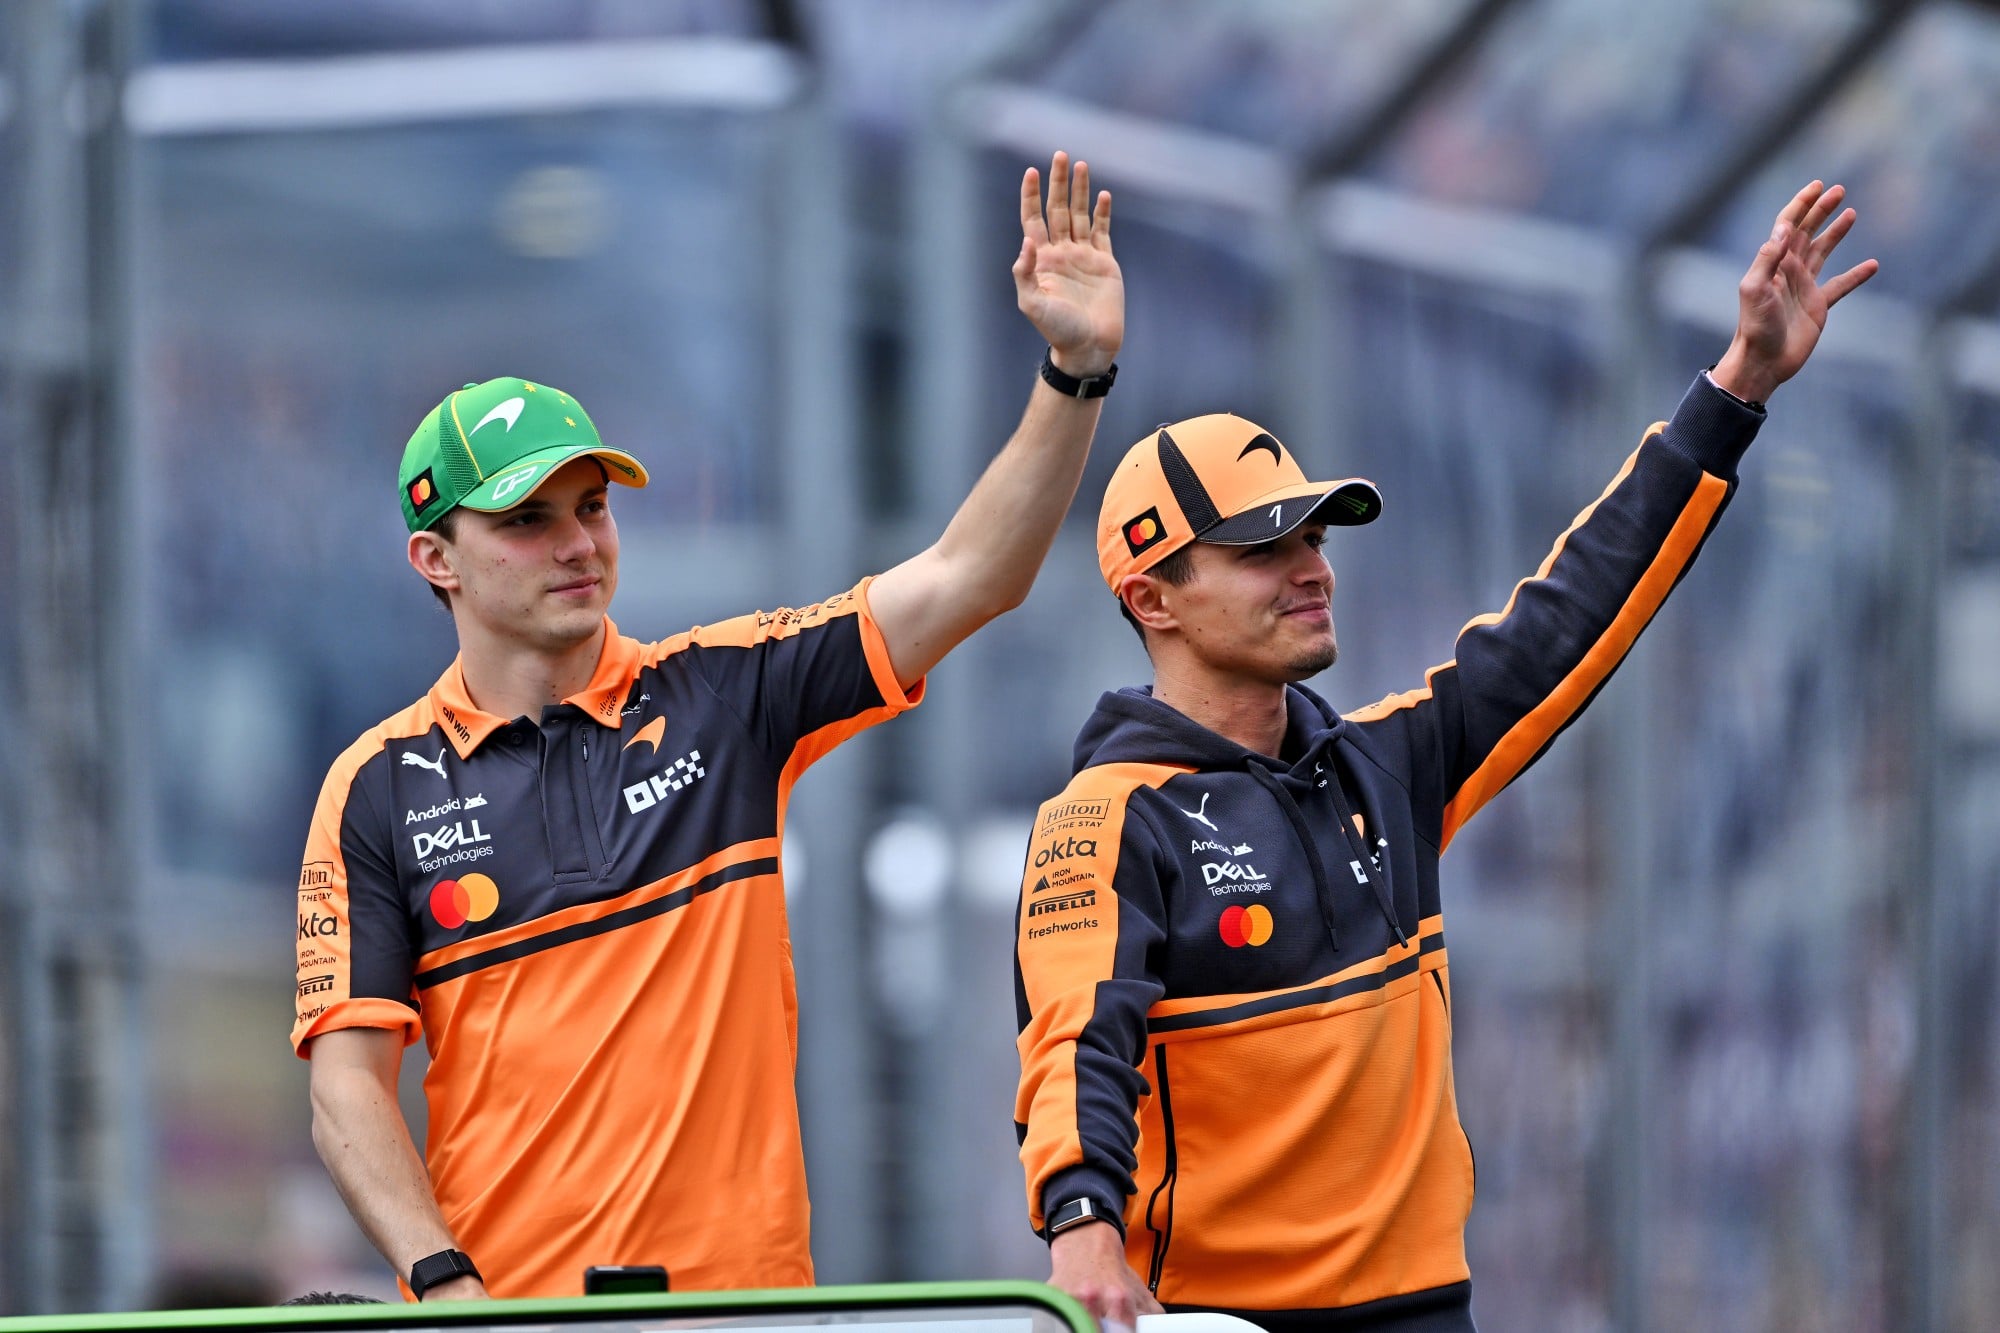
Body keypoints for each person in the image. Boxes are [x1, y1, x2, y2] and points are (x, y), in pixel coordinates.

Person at [1012, 181, 1875, 1331]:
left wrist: (1736, 390)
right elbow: (1077, 1038)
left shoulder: (1386, 768)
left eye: (1314, 534)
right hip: (1225, 1324)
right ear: (1150, 596)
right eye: (1262, 545)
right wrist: (1080, 1226)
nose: (1311, 566)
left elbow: (1567, 616)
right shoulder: (1107, 818)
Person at [293, 151, 1122, 1301]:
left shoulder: (726, 691)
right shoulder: (375, 788)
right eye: (528, 520)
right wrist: (446, 1284)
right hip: (515, 1328)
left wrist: (1074, 372)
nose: (580, 542)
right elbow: (346, 1090)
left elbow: (971, 574)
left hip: (746, 1310)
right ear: (434, 560)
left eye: (591, 507)